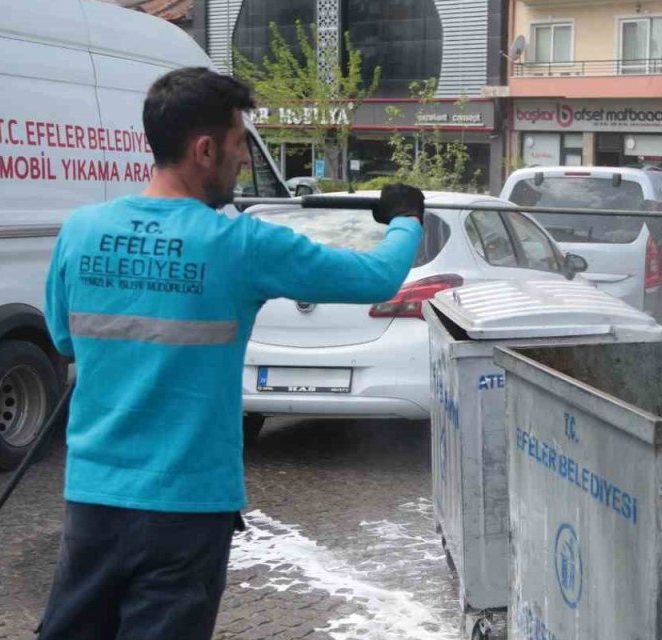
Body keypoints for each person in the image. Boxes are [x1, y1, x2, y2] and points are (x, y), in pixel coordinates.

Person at [36, 67, 424, 639]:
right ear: (204, 150)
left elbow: (64, 340)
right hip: (188, 509)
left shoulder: (81, 230)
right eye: (240, 143)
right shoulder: (239, 243)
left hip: (94, 499)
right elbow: (375, 278)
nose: (243, 158)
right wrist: (405, 221)